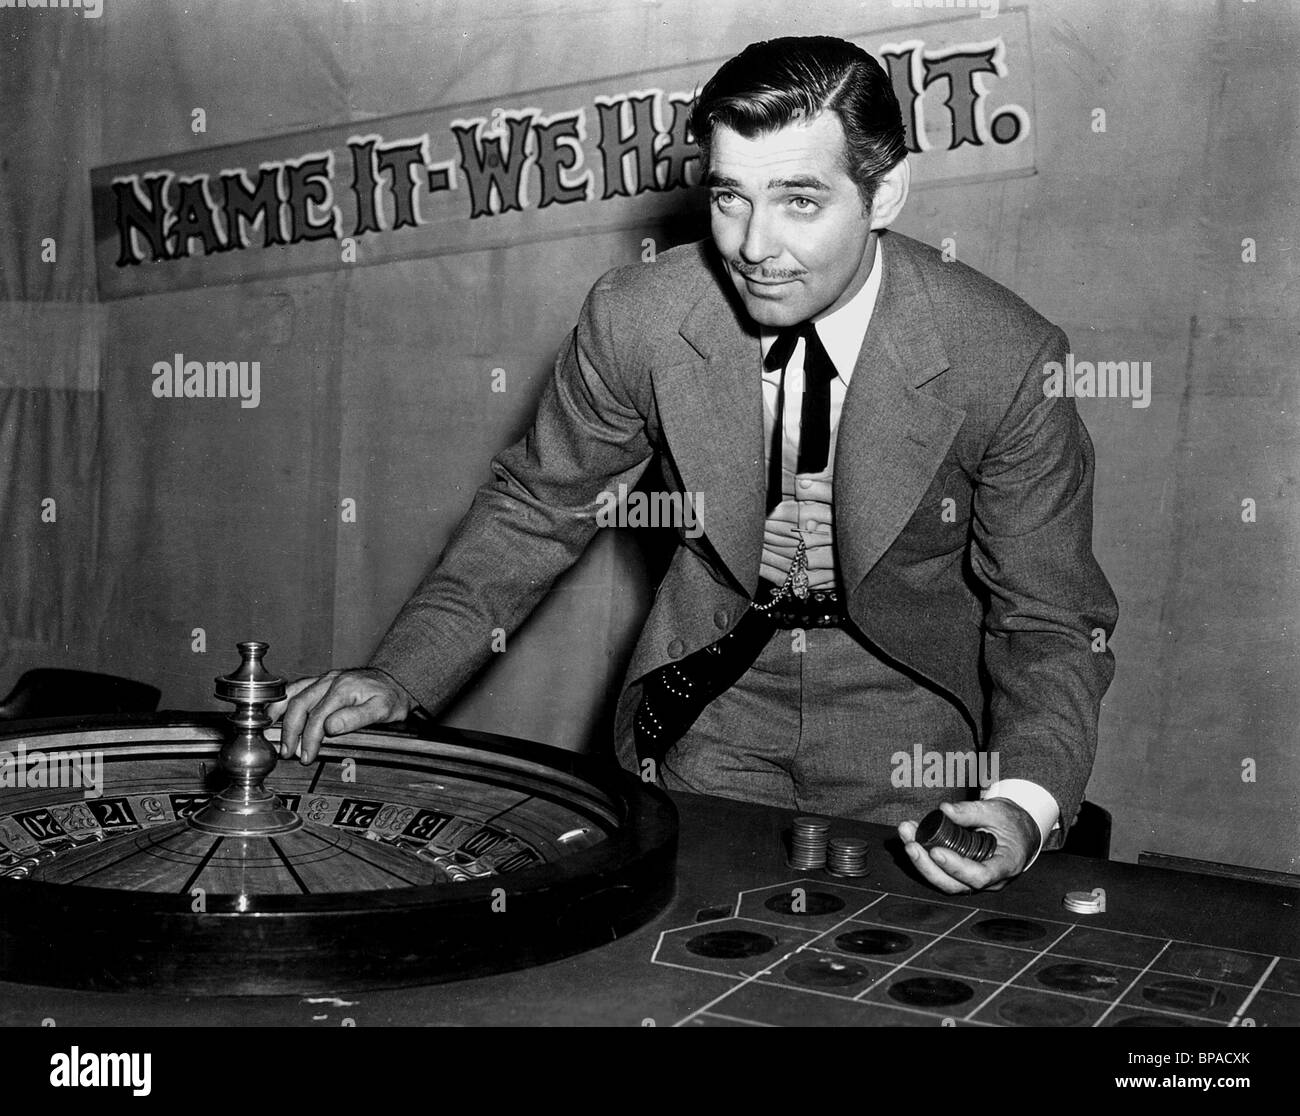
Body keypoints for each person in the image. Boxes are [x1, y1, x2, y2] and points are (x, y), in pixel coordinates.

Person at [273, 36, 1118, 894]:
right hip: (712, 707)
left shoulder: (1005, 358)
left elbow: (1049, 619)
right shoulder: (637, 316)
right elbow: (536, 508)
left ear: (885, 192)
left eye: (799, 200)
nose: (755, 246)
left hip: (909, 725)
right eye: (730, 197)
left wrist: (1022, 801)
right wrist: (399, 674)